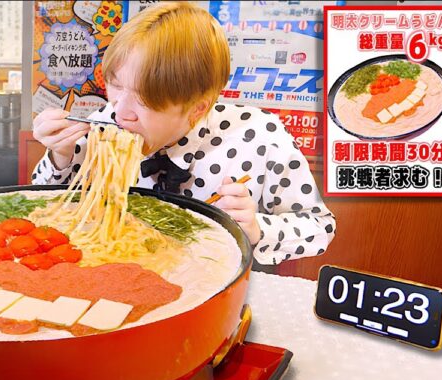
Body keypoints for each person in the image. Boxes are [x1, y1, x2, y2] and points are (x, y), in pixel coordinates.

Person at [31, 2, 335, 265]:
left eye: (145, 98)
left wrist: (257, 228)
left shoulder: (258, 138)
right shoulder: (106, 122)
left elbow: (319, 228)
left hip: (213, 288)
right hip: (114, 274)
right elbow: (50, 204)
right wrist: (60, 154)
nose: (121, 110)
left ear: (197, 109)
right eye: (115, 85)